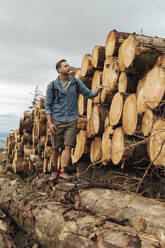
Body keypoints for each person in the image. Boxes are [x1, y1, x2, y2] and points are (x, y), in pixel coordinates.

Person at [45, 59, 103, 181]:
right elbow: (48, 106)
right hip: (56, 120)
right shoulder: (52, 85)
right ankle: (54, 170)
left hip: (71, 120)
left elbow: (89, 94)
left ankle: (64, 171)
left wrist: (98, 89)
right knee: (56, 148)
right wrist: (50, 123)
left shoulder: (76, 82)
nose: (68, 67)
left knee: (68, 146)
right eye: (65, 66)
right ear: (59, 70)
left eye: (68, 65)